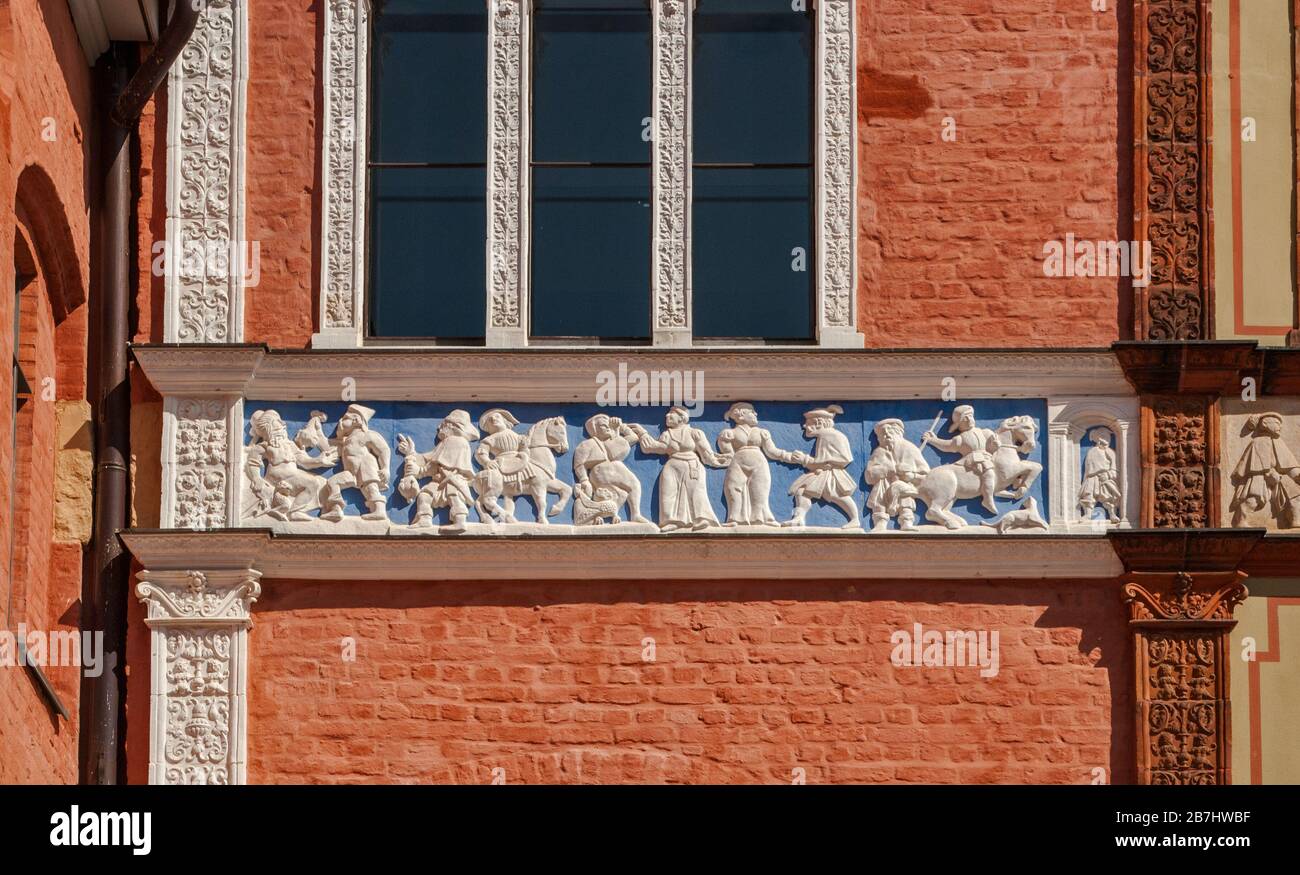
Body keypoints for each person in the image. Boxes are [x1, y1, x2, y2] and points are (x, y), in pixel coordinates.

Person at [631, 406, 731, 531]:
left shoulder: (695, 433)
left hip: (691, 465)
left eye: (671, 414)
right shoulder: (667, 434)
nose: (667, 416)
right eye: (667, 414)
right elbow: (655, 447)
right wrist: (642, 433)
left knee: (696, 492)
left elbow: (706, 454)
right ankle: (671, 521)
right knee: (668, 492)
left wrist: (721, 460)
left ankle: (700, 519)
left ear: (682, 418)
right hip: (672, 465)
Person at [397, 409, 479, 532]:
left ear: (452, 426)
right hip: (439, 481)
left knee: (454, 497)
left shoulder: (456, 441)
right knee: (425, 495)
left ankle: (460, 522)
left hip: (452, 480)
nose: (439, 427)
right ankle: (424, 519)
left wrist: (420, 471)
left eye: (444, 424)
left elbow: (437, 464)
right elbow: (428, 458)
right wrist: (411, 452)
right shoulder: (446, 442)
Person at [716, 402, 796, 526]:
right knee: (733, 488)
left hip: (759, 463)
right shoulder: (730, 432)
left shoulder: (761, 432)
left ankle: (761, 519)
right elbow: (728, 453)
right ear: (741, 415)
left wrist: (788, 456)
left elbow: (771, 451)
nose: (755, 414)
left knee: (759, 491)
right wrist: (724, 442)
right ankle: (735, 519)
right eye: (752, 412)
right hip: (737, 463)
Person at [785, 405, 860, 529]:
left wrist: (805, 460)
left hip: (831, 474)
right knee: (802, 492)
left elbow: (843, 459)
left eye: (808, 423)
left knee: (838, 495)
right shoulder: (825, 436)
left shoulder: (831, 436)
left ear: (819, 423)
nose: (804, 426)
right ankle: (799, 518)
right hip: (822, 472)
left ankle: (855, 519)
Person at [572, 413, 651, 525]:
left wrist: (620, 426)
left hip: (618, 470)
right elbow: (579, 464)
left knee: (634, 485)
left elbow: (633, 437)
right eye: (604, 426)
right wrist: (584, 479)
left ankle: (635, 514)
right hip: (601, 474)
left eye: (609, 425)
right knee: (606, 496)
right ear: (595, 429)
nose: (608, 427)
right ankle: (595, 517)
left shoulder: (613, 441)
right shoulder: (587, 444)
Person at [922, 404, 999, 513]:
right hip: (974, 460)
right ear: (958, 425)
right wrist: (932, 440)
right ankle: (987, 499)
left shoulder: (984, 432)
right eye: (964, 419)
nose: (969, 420)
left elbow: (993, 446)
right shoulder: (960, 438)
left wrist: (996, 444)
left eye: (970, 416)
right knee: (989, 473)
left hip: (986, 457)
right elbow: (947, 446)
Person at [321, 404, 391, 522]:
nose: (341, 421)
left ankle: (379, 511)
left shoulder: (366, 434)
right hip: (351, 472)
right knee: (333, 482)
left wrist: (385, 468)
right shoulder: (346, 440)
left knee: (370, 489)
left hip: (365, 467)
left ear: (356, 420)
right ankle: (336, 509)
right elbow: (326, 443)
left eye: (345, 418)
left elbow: (383, 449)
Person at [1230, 412, 1300, 528]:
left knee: (1295, 494)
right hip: (1259, 477)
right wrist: (1267, 473)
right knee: (1253, 498)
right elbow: (1252, 464)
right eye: (1277, 423)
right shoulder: (1257, 442)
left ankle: (1295, 519)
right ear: (1265, 424)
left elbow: (1288, 464)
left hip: (1278, 477)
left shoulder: (1279, 443)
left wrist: (1297, 475)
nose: (1280, 427)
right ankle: (1241, 520)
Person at [864, 418, 929, 532]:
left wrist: (911, 475)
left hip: (906, 486)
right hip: (884, 487)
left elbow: (926, 474)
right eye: (883, 434)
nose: (887, 436)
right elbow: (869, 475)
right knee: (880, 486)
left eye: (890, 432)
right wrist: (887, 470)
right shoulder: (879, 452)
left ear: (898, 433)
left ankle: (906, 521)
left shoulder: (910, 448)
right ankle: (880, 522)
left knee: (902, 487)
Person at [1078, 427, 1121, 523]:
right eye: (1102, 437)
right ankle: (1088, 514)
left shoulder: (1110, 452)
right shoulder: (1092, 451)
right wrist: (1087, 477)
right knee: (1088, 495)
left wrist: (1109, 475)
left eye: (1106, 437)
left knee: (1109, 495)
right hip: (1092, 477)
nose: (1105, 440)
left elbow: (1115, 468)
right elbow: (1088, 468)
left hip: (1105, 477)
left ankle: (1112, 513)